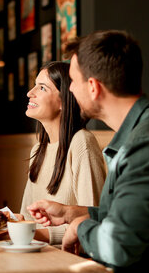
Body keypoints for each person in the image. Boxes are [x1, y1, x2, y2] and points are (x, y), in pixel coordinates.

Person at [28, 31, 149, 273]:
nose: (69, 89)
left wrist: (80, 228)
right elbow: (135, 217)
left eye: (72, 81)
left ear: (93, 87)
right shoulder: (148, 128)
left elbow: (119, 246)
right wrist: (73, 213)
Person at [20, 61, 106, 245]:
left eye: (42, 88)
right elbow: (26, 217)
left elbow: (92, 222)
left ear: (64, 101)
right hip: (37, 255)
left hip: (68, 259)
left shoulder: (82, 143)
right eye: (34, 85)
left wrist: (33, 235)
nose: (30, 93)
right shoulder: (38, 150)